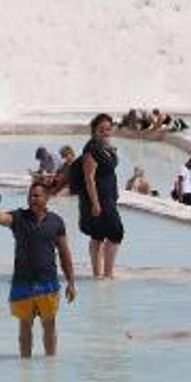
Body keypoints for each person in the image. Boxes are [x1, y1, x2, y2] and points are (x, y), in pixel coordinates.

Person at [0, 182, 77, 357]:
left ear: (47, 198)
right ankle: (25, 370)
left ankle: (50, 367)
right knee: (24, 328)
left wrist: (71, 282)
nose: (32, 199)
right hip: (22, 283)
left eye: (36, 195)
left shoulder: (56, 222)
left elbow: (64, 253)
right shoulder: (18, 217)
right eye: (30, 195)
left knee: (49, 326)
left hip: (48, 283)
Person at [78, 113, 123, 278]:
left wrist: (112, 152)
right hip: (100, 197)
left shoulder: (104, 146)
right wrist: (95, 203)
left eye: (108, 129)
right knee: (116, 232)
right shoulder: (91, 149)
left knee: (97, 235)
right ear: (94, 130)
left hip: (108, 195)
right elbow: (89, 178)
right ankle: (107, 273)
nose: (105, 132)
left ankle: (98, 274)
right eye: (101, 129)